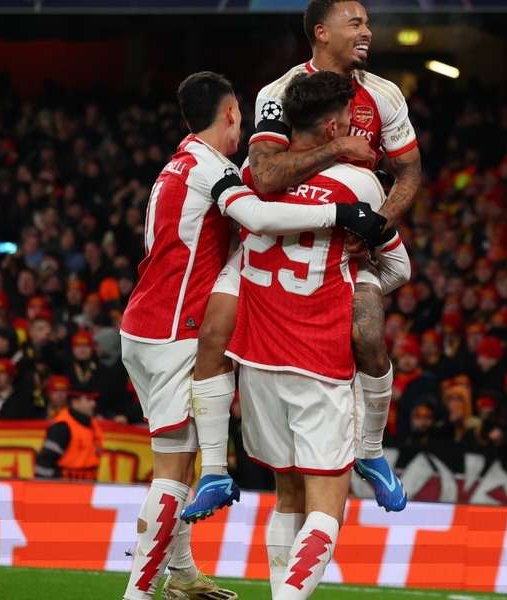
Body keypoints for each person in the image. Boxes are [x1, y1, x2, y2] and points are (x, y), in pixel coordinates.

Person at [117, 71, 383, 600]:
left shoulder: (181, 160)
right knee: (172, 472)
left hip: (144, 324)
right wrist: (343, 213)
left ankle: (184, 572)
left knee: (183, 456)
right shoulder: (214, 170)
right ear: (234, 114)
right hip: (177, 329)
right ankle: (139, 594)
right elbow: (258, 215)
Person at [186, 0, 421, 516]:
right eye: (355, 23)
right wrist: (336, 153)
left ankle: (373, 452)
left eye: (367, 22)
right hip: (276, 237)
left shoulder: (384, 96)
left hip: (344, 243)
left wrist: (378, 225)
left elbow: (408, 175)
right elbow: (266, 176)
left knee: (366, 332)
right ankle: (213, 470)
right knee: (213, 330)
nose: (367, 31)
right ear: (321, 32)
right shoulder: (279, 93)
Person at [221, 71, 410, 599]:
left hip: (256, 359)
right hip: (318, 359)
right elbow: (399, 268)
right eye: (349, 120)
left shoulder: (250, 178)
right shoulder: (361, 186)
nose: (355, 129)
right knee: (327, 508)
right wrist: (361, 275)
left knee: (288, 497)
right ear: (331, 127)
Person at [34, 388, 103, 480]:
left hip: (88, 487)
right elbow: (44, 463)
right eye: (89, 400)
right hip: (65, 488)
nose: (93, 403)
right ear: (75, 402)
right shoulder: (62, 427)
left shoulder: (93, 424)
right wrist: (44, 490)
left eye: (94, 400)